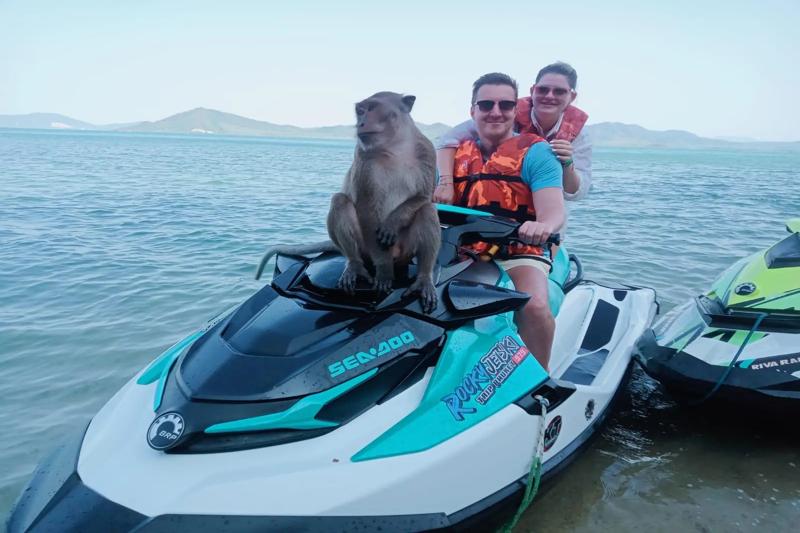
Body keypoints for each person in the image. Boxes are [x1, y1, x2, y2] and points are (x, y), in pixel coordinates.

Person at [450, 72, 565, 371]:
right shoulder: (454, 154)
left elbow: (553, 211)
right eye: (486, 104)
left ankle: (539, 379)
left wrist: (543, 227)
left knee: (534, 305)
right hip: (463, 248)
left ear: (516, 110)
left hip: (519, 249)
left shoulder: (537, 152)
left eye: (505, 105)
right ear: (472, 110)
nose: (496, 112)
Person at [434, 62, 591, 205]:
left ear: (572, 96)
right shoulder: (502, 113)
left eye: (559, 92)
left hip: (541, 213)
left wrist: (567, 164)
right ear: (532, 90)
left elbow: (576, 192)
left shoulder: (579, 135)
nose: (549, 96)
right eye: (543, 89)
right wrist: (445, 183)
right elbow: (447, 141)